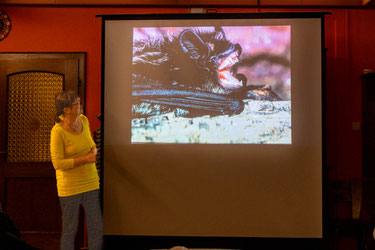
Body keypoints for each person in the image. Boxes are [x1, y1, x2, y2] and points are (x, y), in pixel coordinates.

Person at [50, 90, 103, 250]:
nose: (80, 105)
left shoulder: (84, 120)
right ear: (66, 109)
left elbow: (90, 143)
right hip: (70, 187)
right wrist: (85, 159)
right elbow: (58, 163)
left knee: (96, 227)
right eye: (77, 103)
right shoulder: (57, 132)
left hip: (91, 182)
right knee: (70, 229)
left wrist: (94, 150)